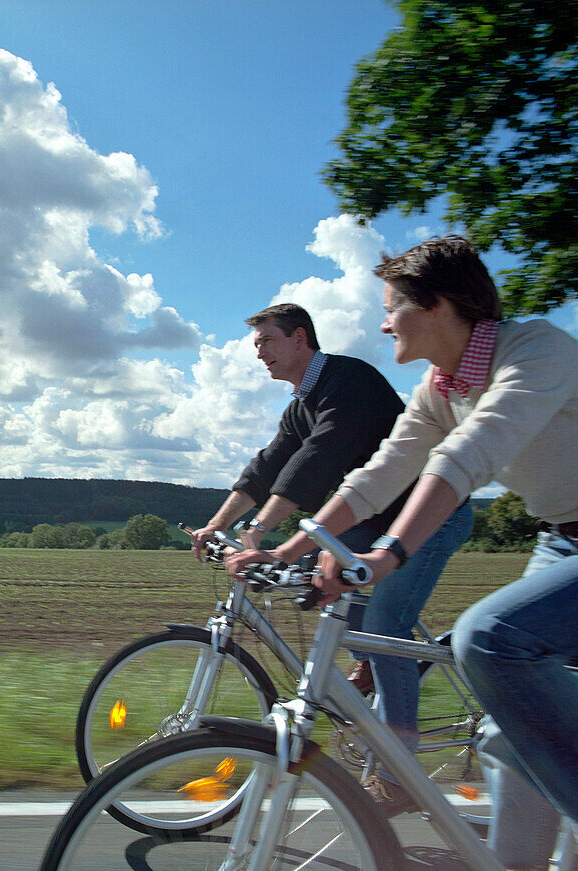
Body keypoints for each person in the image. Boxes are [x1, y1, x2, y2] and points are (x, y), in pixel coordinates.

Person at [229, 236, 578, 866]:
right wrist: (295, 547)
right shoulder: (442, 388)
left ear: (437, 305)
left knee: (488, 639)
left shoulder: (537, 351)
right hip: (563, 540)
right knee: (509, 727)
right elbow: (380, 473)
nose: (383, 323)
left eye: (392, 308)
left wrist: (386, 554)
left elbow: (468, 457)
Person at [192, 302, 473, 815]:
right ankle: (369, 656)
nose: (260, 355)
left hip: (428, 518)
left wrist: (256, 532)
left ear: (300, 339)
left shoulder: (349, 380)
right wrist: (217, 524)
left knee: (387, 627)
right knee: (305, 579)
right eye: (256, 347)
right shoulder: (300, 405)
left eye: (266, 343)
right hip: (371, 520)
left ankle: (398, 773)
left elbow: (316, 462)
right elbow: (268, 466)